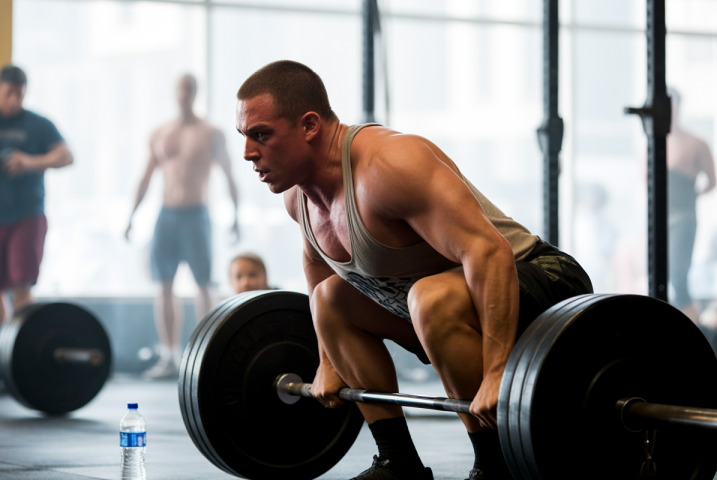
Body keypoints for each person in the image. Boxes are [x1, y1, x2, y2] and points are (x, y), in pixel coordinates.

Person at [235, 61, 593, 480]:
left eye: (261, 135)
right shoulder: (299, 198)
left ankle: (497, 464)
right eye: (244, 137)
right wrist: (327, 360)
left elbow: (489, 252)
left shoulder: (388, 166)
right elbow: (317, 266)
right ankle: (397, 459)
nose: (248, 152)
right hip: (440, 307)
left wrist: (497, 372)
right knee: (329, 299)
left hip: (538, 279)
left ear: (310, 125)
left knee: (430, 298)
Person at [126, 74, 240, 379]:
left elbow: (229, 174)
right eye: (180, 88)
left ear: (195, 93)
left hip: (196, 214)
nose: (184, 94)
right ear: (174, 93)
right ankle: (169, 355)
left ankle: (207, 352)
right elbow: (145, 177)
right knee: (163, 284)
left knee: (203, 284)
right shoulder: (161, 133)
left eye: (189, 89)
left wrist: (236, 216)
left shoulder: (210, 133)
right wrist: (131, 216)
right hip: (166, 215)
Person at [0, 65, 73, 326]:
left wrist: (30, 162)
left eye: (19, 94)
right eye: (9, 93)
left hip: (27, 216)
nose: (13, 100)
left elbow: (66, 156)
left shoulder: (39, 124)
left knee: (22, 282)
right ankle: (2, 343)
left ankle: (22, 345)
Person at [665, 88, 716, 322]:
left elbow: (712, 180)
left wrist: (693, 196)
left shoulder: (696, 143)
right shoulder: (653, 144)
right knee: (663, 278)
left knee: (678, 279)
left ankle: (698, 333)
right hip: (661, 217)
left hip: (683, 218)